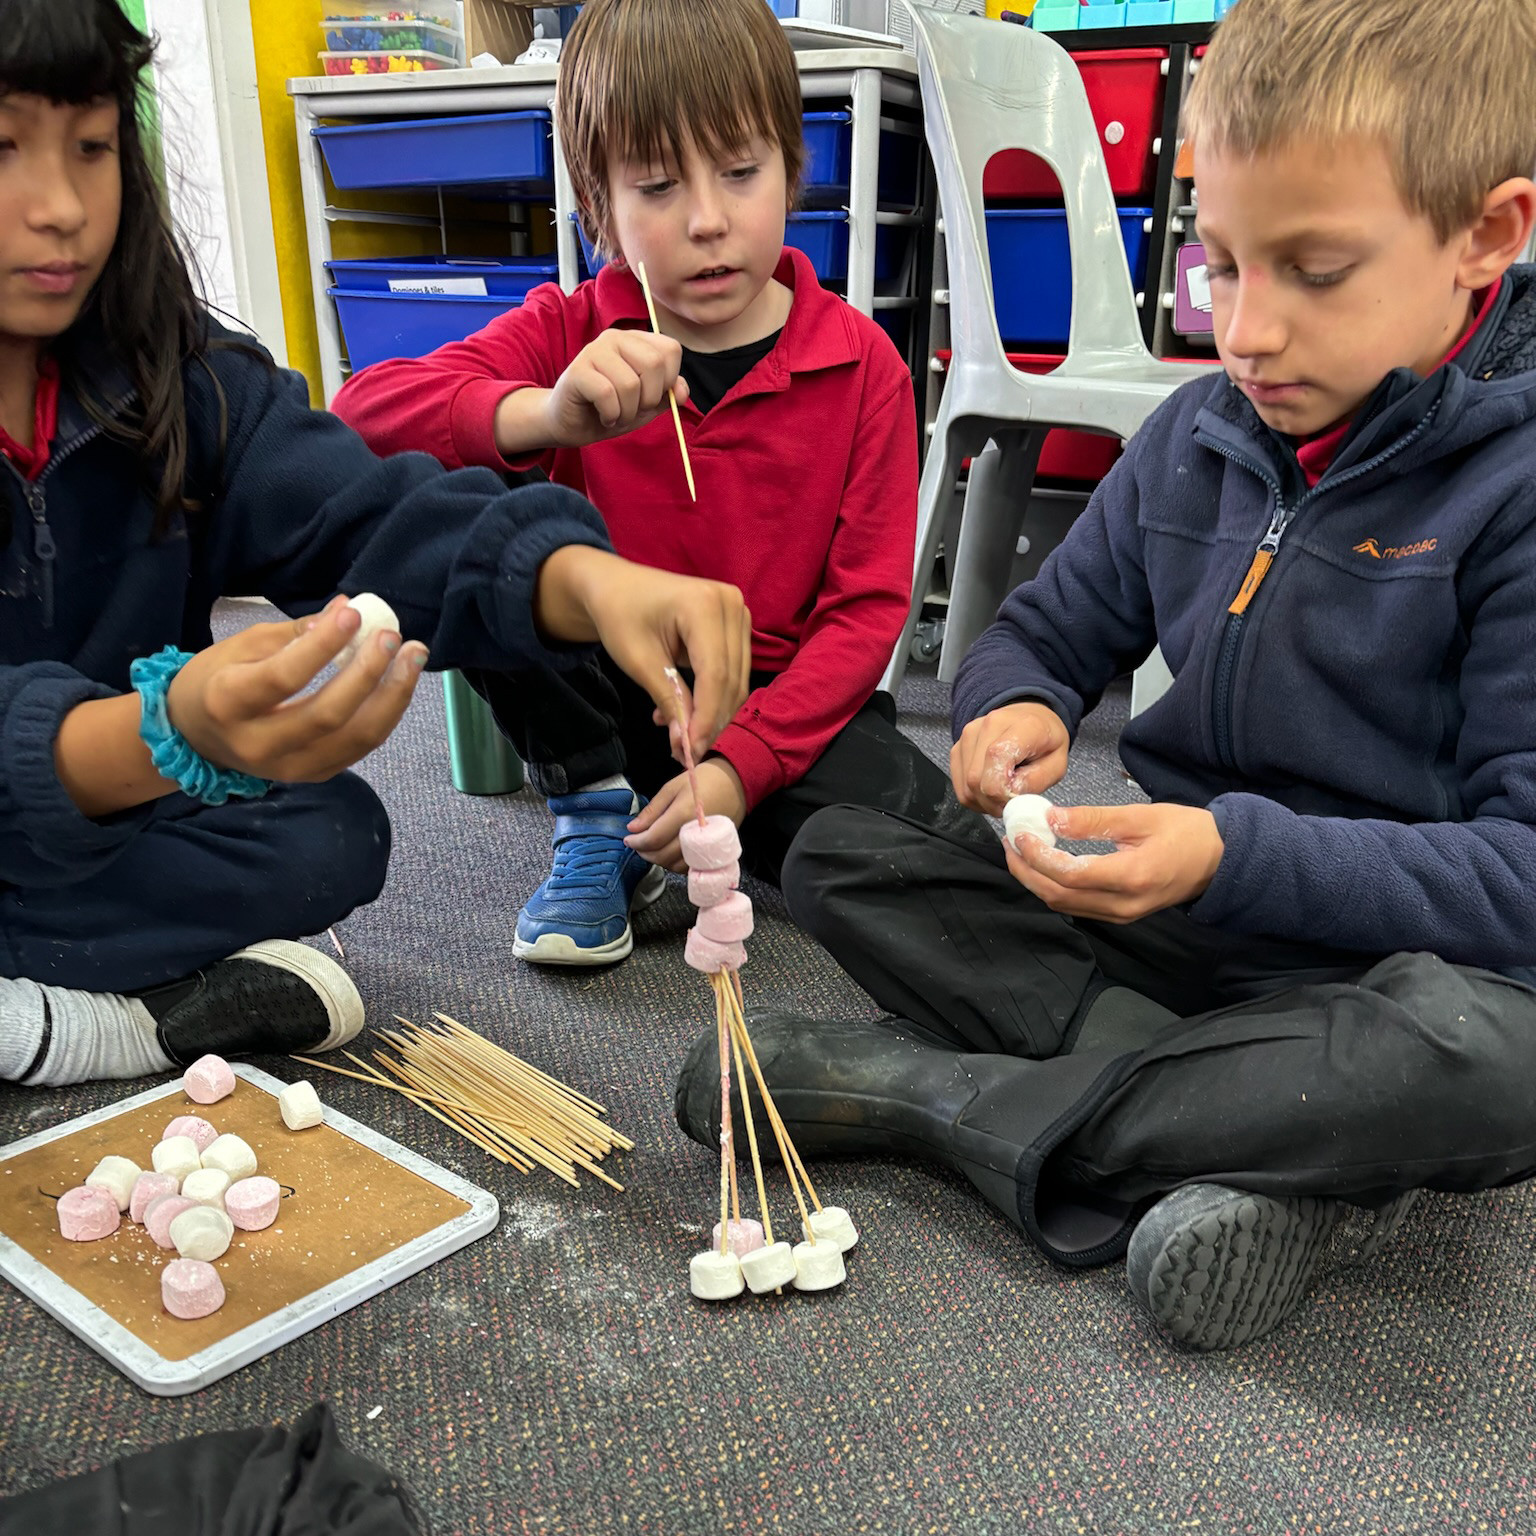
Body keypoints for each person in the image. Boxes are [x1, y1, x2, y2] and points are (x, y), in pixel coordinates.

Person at [677, 0, 1536, 1351]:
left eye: (1313, 272)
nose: (1245, 334)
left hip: (1392, 966)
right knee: (843, 854)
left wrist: (1224, 852)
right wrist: (1010, 703)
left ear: (1485, 238)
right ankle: (1230, 1138)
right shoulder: (1201, 433)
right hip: (1180, 928)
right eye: (1219, 266)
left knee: (1493, 1073)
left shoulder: (1515, 494)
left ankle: (940, 1101)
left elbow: (1521, 877)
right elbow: (1041, 630)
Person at [0, 0, 749, 1087]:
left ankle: (79, 980)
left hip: (106, 828)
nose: (62, 207)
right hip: (88, 779)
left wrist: (576, 573)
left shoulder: (177, 374)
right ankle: (111, 1014)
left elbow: (364, 510)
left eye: (93, 147)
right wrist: (164, 729)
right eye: (5, 146)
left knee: (330, 833)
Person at [334, 0, 981, 969]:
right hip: (607, 692)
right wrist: (545, 415)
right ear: (598, 205)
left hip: (776, 699)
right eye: (659, 185)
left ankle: (691, 821)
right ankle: (598, 815)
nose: (710, 220)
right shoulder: (571, 327)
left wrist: (741, 768)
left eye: (740, 171)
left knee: (942, 866)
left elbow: (862, 618)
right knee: (478, 530)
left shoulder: (865, 368)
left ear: (792, 166)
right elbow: (359, 420)